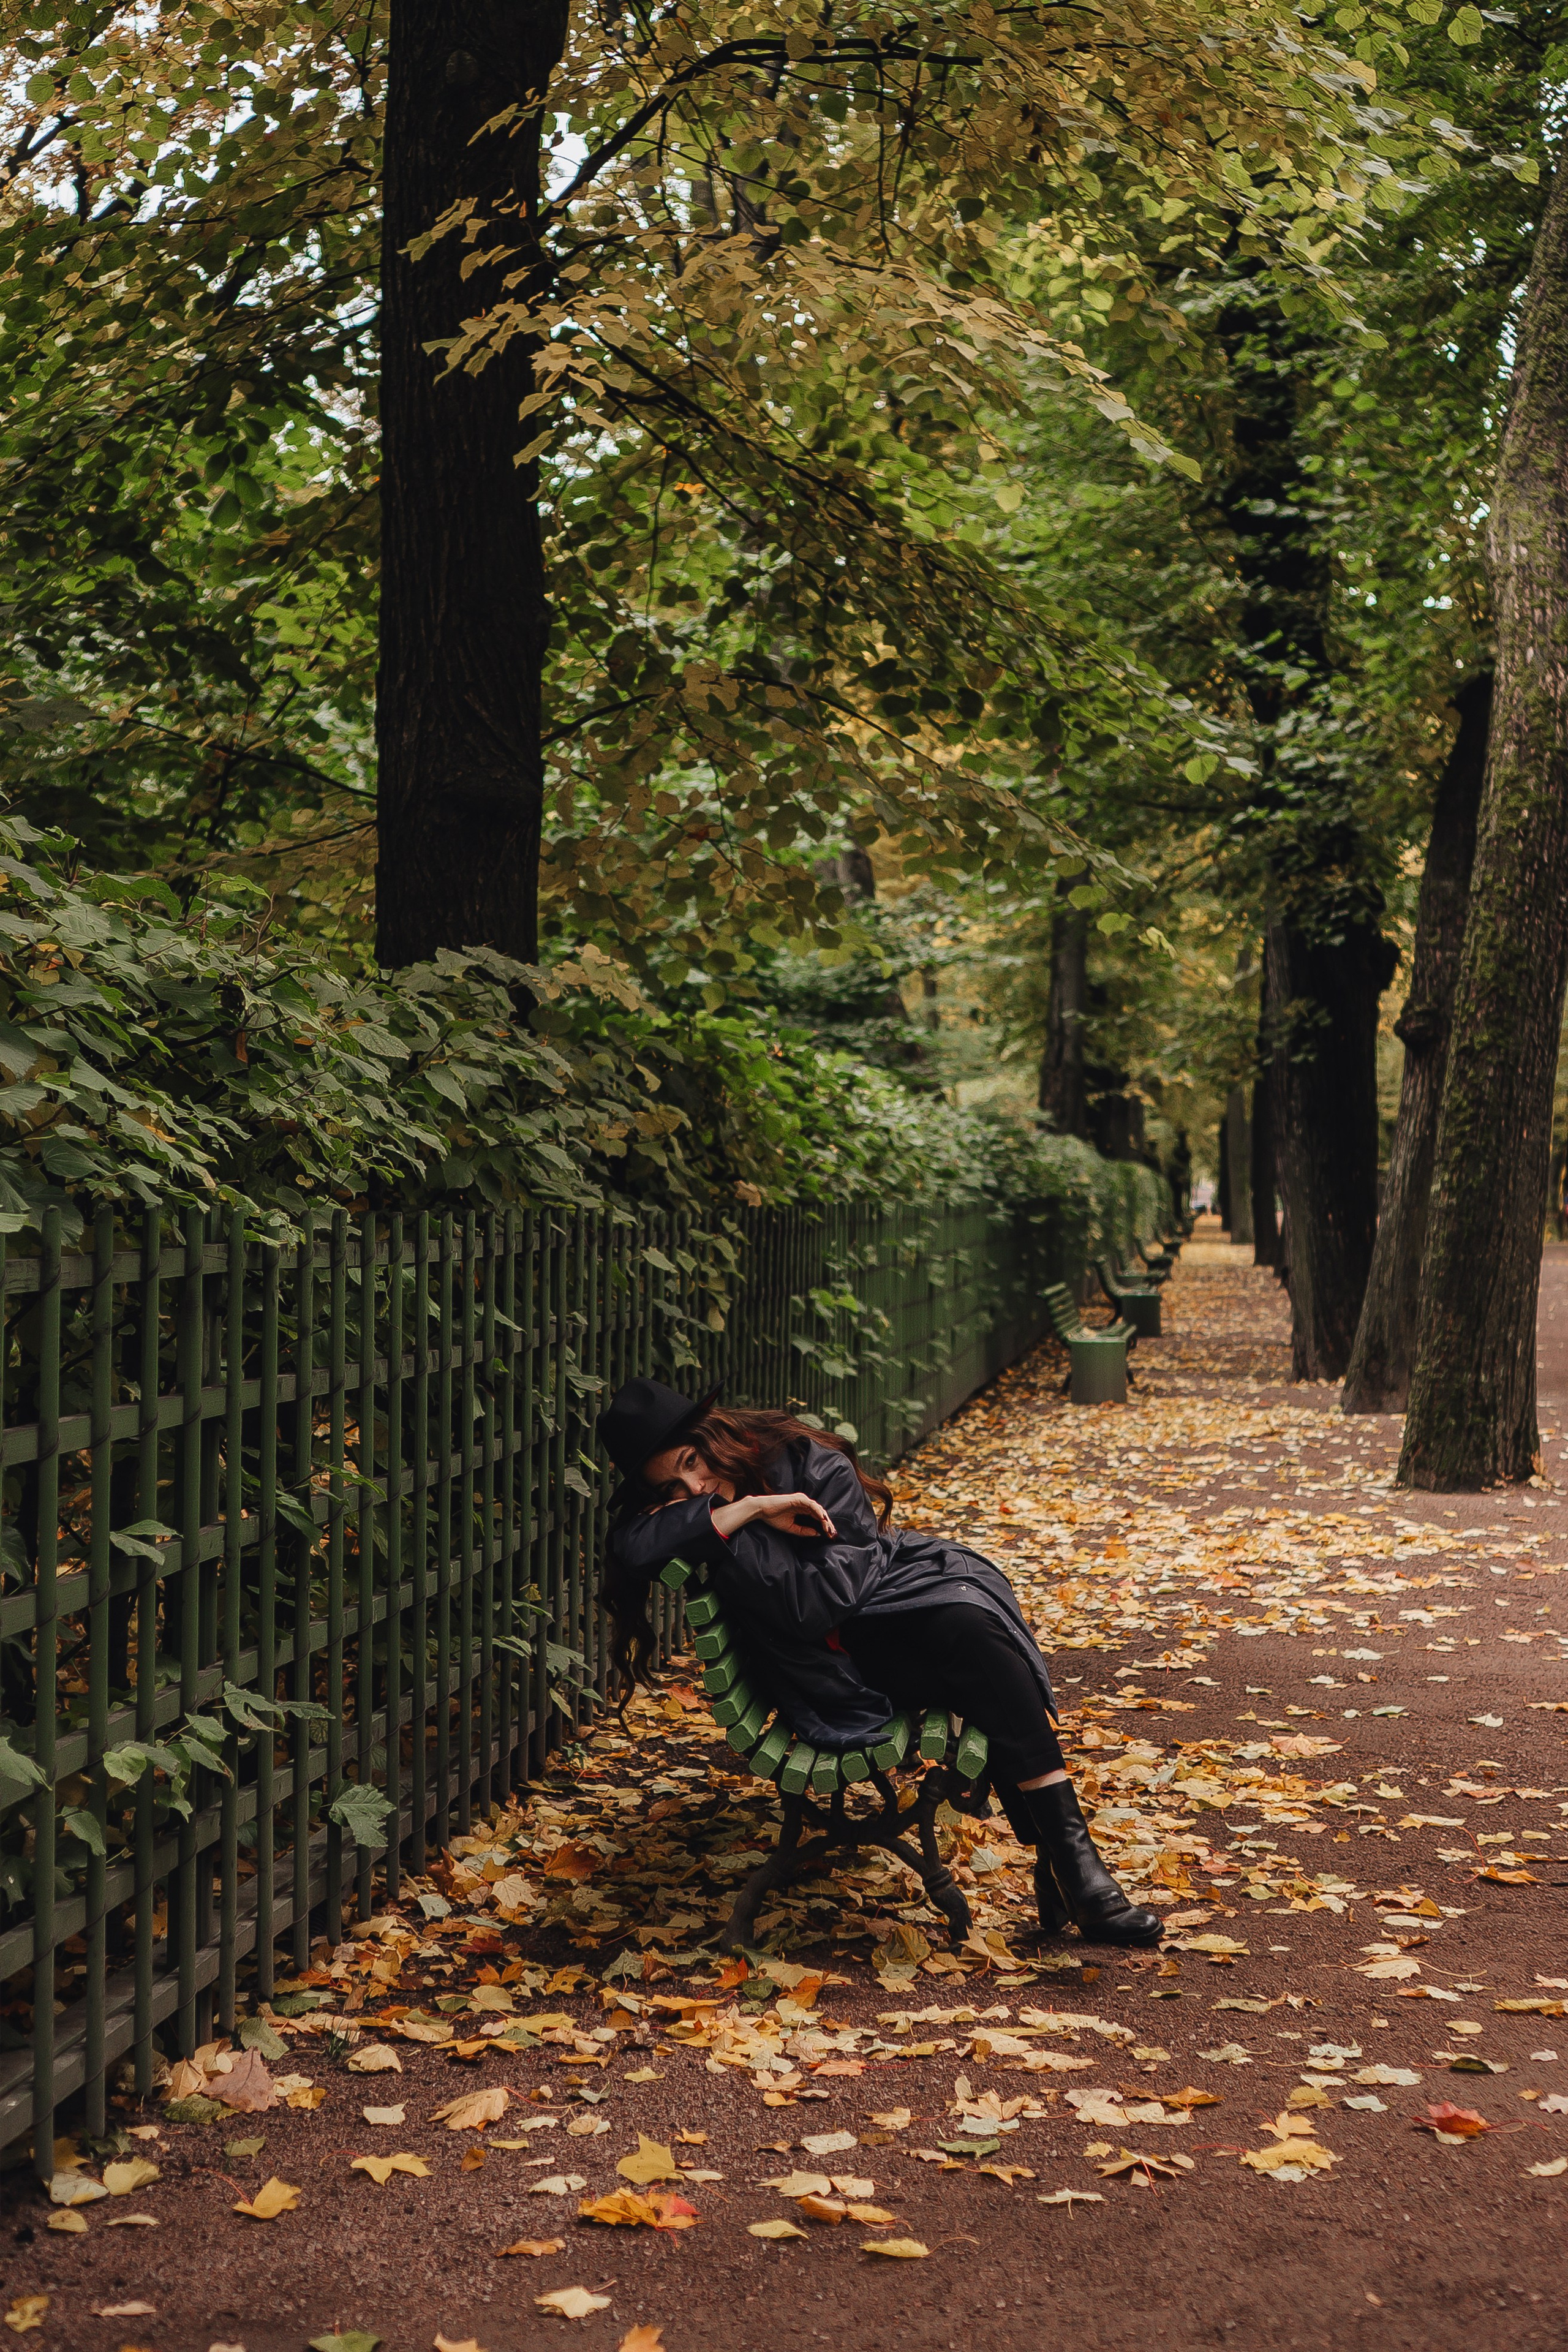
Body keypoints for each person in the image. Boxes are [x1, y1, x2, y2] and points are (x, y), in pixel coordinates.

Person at [598, 1377, 1161, 1947]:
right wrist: (751, 1509)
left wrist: (732, 1518)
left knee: (973, 1632)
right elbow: (643, 1551)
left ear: (714, 1434)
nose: (696, 1487)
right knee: (979, 1656)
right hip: (836, 1674)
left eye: (695, 1462)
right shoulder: (722, 1515)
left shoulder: (810, 1463)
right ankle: (1073, 1872)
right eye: (673, 1487)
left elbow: (836, 1591)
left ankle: (1069, 1865)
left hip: (880, 1631)